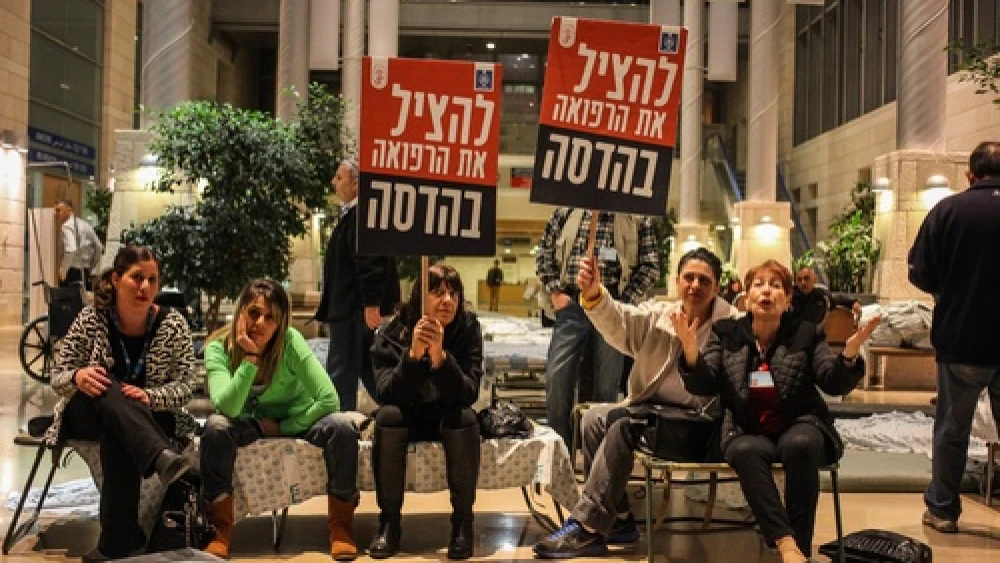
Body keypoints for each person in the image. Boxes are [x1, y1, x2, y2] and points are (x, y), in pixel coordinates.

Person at [673, 260, 878, 562]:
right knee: (744, 450)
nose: (766, 291)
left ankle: (800, 551)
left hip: (799, 422)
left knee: (801, 444)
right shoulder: (726, 332)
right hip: (745, 427)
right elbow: (706, 383)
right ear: (746, 297)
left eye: (776, 285)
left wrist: (848, 355)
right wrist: (690, 352)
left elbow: (830, 381)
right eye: (758, 284)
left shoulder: (807, 333)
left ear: (787, 299)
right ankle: (787, 546)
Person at [534, 248, 733, 559]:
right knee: (594, 418)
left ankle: (587, 526)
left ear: (717, 287)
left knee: (623, 425)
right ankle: (621, 520)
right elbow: (621, 320)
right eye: (689, 278)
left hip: (699, 426)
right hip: (653, 413)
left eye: (704, 280)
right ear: (677, 282)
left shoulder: (730, 326)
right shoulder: (660, 316)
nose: (695, 285)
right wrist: (594, 294)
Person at [46, 245, 197, 562]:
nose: (145, 287)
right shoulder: (92, 318)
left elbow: (187, 386)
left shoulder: (173, 324)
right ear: (115, 279)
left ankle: (118, 543)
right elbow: (57, 374)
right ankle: (159, 456)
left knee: (118, 428)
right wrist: (78, 376)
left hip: (149, 416)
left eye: (152, 280)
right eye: (136, 278)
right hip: (88, 411)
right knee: (106, 384)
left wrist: (150, 396)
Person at [200, 279, 361, 560]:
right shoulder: (218, 347)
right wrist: (249, 358)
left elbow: (329, 399)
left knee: (342, 427)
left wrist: (285, 427)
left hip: (296, 417)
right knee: (215, 428)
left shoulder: (290, 341)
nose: (260, 323)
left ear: (281, 323)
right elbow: (227, 406)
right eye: (253, 313)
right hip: (247, 420)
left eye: (270, 317)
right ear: (239, 313)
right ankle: (220, 530)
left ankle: (341, 528)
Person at [909, 141, 1000, 533]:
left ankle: (943, 511)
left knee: (951, 429)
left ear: (970, 174)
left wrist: (947, 290)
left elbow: (919, 271)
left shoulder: (947, 211)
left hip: (960, 337)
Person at [368, 264, 483, 560]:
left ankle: (462, 524)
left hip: (448, 414)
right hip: (408, 414)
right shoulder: (391, 331)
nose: (448, 300)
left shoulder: (468, 327)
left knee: (465, 418)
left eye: (453, 293)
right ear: (420, 296)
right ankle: (389, 523)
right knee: (388, 417)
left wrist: (441, 358)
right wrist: (413, 356)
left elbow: (469, 392)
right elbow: (385, 394)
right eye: (438, 292)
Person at [535, 207, 659, 443]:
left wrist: (623, 302)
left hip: (612, 304)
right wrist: (556, 292)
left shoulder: (637, 215)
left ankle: (598, 456)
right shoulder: (566, 210)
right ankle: (559, 454)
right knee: (557, 379)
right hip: (571, 304)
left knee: (606, 385)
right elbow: (543, 254)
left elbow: (650, 266)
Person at [315, 158, 400, 411]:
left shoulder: (362, 216)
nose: (333, 182)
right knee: (366, 367)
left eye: (339, 177)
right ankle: (401, 411)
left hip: (353, 310)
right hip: (352, 309)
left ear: (356, 184)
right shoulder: (357, 215)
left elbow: (370, 262)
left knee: (341, 372)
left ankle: (340, 427)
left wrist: (372, 304)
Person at [53, 198, 104, 290]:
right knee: (84, 302)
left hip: (71, 272)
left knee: (67, 302)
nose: (56, 214)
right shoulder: (85, 225)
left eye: (58, 210)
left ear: (69, 209)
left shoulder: (67, 226)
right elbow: (99, 247)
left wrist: (63, 270)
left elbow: (71, 250)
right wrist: (90, 266)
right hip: (85, 272)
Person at [789, 266, 862, 325]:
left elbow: (837, 298)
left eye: (806, 278)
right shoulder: (789, 297)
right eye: (799, 280)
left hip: (817, 336)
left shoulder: (822, 295)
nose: (803, 283)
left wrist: (853, 303)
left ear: (814, 280)